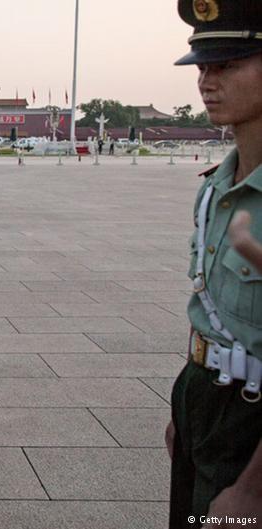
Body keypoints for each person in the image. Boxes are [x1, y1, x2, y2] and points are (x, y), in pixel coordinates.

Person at [166, 2, 262, 527]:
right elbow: (206, 304)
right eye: (204, 66)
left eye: (229, 64)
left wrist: (253, 489)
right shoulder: (216, 188)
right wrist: (184, 407)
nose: (207, 80)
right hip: (205, 400)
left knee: (228, 522)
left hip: (253, 423)